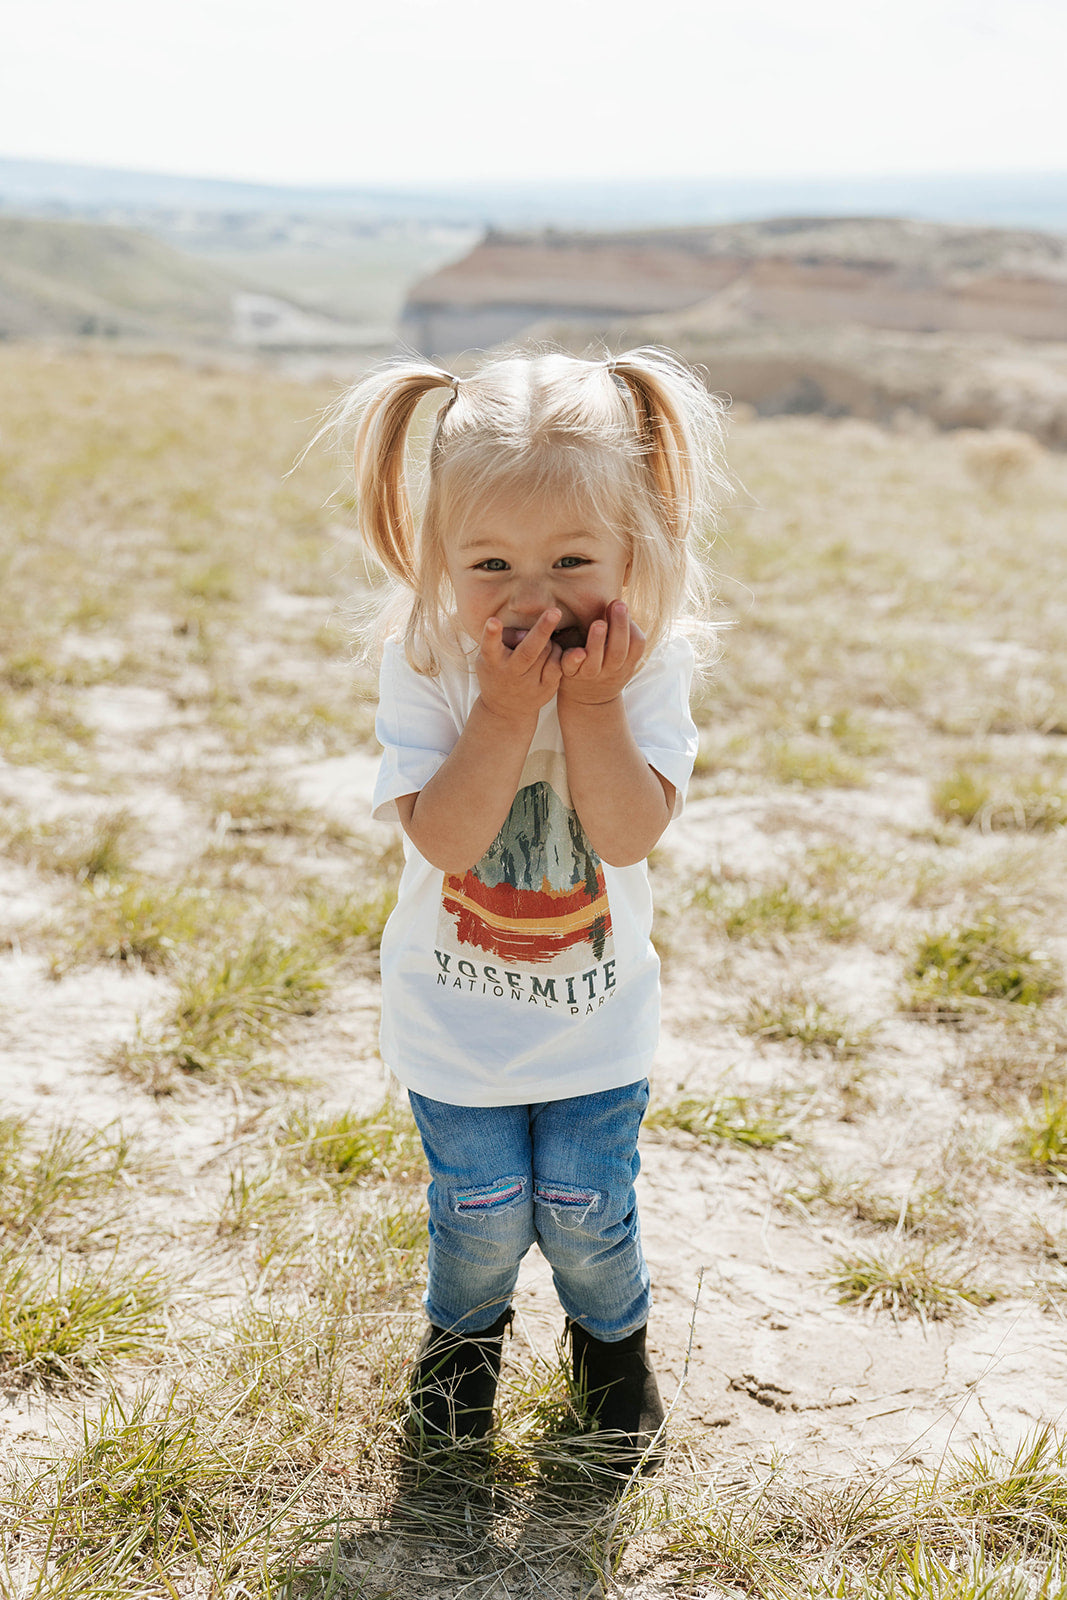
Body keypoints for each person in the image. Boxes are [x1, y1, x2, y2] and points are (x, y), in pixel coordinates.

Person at [332, 346, 728, 1468]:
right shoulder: (429, 664)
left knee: (586, 1210)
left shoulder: (647, 668)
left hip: (595, 1019)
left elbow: (627, 834)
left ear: (636, 547)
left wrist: (591, 706)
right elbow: (447, 840)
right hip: (454, 1016)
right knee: (480, 1209)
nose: (532, 595)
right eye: (490, 562)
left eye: (570, 560)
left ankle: (613, 1352)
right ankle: (461, 1349)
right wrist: (503, 712)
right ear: (436, 556)